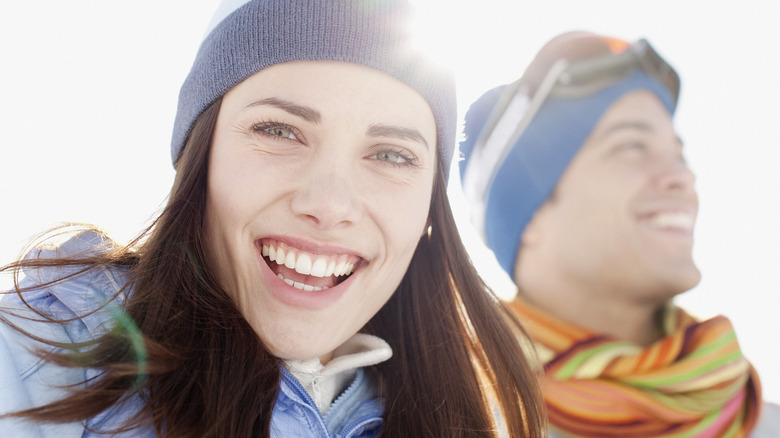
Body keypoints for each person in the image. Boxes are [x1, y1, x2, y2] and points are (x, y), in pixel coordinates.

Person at [0, 1, 547, 437]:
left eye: (391, 155)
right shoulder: (26, 370)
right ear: (201, 154)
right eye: (279, 131)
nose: (330, 204)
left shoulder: (481, 418)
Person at [459, 31, 780, 437]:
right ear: (532, 213)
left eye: (678, 154)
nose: (683, 177)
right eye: (632, 146)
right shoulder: (447, 418)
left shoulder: (764, 423)